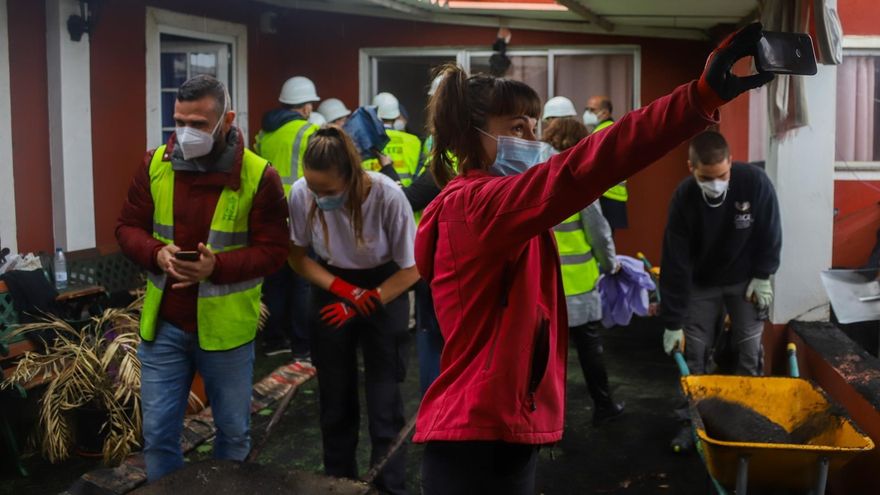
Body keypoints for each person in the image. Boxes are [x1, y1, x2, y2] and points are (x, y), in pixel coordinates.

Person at [413, 23, 773, 495]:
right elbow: (589, 165)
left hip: (499, 422)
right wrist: (696, 98)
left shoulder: (487, 206)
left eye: (533, 125)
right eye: (515, 127)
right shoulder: (478, 206)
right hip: (480, 429)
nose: (532, 139)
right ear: (469, 136)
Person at [116, 75, 288, 481]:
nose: (185, 133)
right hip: (166, 327)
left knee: (232, 433)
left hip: (226, 333)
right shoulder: (155, 164)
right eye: (179, 121)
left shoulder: (259, 175)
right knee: (158, 435)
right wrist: (156, 253)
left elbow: (275, 251)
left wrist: (218, 268)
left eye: (197, 123)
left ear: (226, 119)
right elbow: (126, 228)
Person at [287, 126, 419, 495]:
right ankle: (338, 482)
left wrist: (367, 299)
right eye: (313, 189)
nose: (318, 197)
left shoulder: (387, 196)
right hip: (332, 283)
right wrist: (344, 292)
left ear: (352, 176)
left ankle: (388, 487)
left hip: (385, 285)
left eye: (328, 191)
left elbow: (413, 268)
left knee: (384, 399)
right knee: (335, 396)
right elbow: (296, 257)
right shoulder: (301, 192)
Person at [659, 130, 782, 452]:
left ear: (731, 162)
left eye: (722, 175)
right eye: (706, 178)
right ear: (691, 167)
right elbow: (675, 261)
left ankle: (748, 422)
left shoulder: (754, 183)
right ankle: (692, 424)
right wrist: (672, 322)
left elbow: (770, 231)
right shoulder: (684, 197)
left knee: (749, 350)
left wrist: (763, 275)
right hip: (701, 283)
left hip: (745, 281)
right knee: (694, 353)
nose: (716, 183)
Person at [541, 113, 625, 425]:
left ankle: (546, 420)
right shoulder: (579, 182)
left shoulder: (533, 177)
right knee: (590, 351)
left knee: (547, 358)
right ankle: (604, 407)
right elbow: (599, 234)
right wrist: (611, 265)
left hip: (543, 288)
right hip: (577, 288)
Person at [253, 75, 321, 360]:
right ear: (305, 106)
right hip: (301, 213)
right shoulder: (310, 131)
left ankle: (273, 339)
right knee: (303, 280)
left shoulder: (264, 133)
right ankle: (302, 345)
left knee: (275, 280)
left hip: (270, 215)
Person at [584, 95, 629, 232]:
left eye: (592, 110)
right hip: (612, 193)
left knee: (602, 239)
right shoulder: (610, 128)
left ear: (605, 112)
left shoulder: (604, 131)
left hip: (606, 194)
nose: (587, 114)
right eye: (586, 109)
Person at [363, 92, 422, 188]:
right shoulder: (414, 141)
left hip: (372, 196)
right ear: (396, 116)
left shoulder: (365, 141)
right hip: (404, 196)